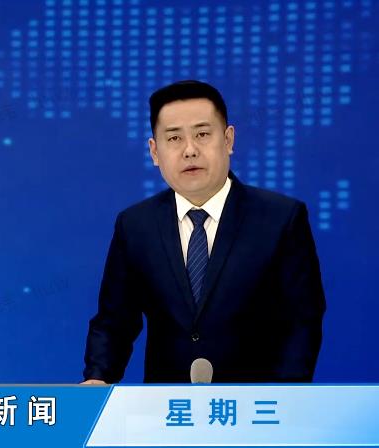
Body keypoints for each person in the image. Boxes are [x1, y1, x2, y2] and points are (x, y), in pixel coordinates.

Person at [82, 80, 325, 383]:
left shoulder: (280, 219)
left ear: (228, 139)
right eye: (174, 138)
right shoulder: (135, 225)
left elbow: (301, 321)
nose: (189, 150)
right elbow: (114, 322)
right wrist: (98, 378)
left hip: (257, 405)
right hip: (168, 407)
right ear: (154, 152)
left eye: (202, 134)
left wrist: (285, 396)